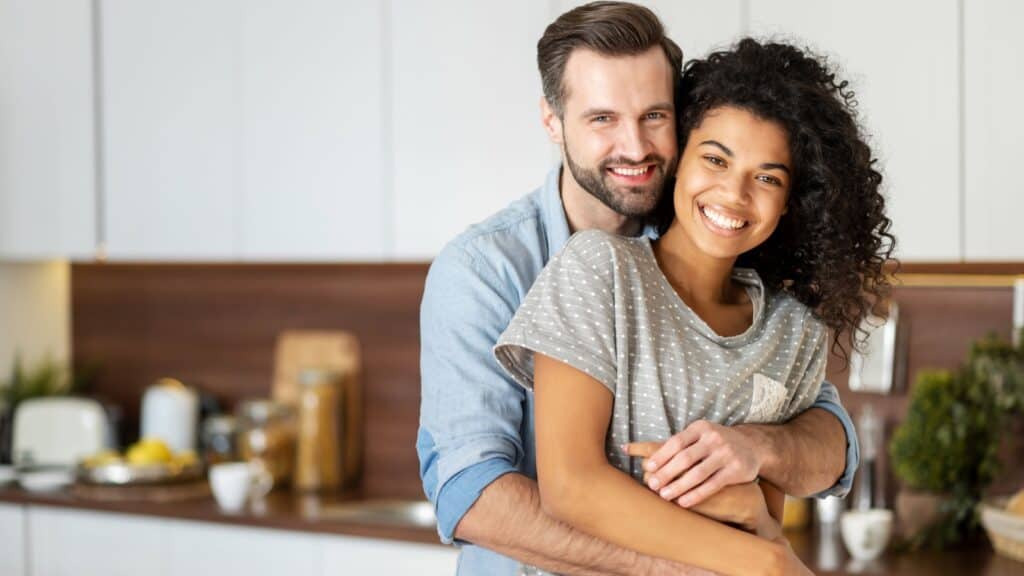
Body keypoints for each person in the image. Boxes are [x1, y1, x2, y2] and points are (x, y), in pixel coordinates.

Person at [417, 3, 861, 574]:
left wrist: (759, 450)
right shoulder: (483, 270)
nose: (635, 147)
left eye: (653, 115)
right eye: (602, 119)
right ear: (552, 121)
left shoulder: (722, 252)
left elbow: (824, 437)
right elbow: (472, 493)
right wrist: (724, 564)